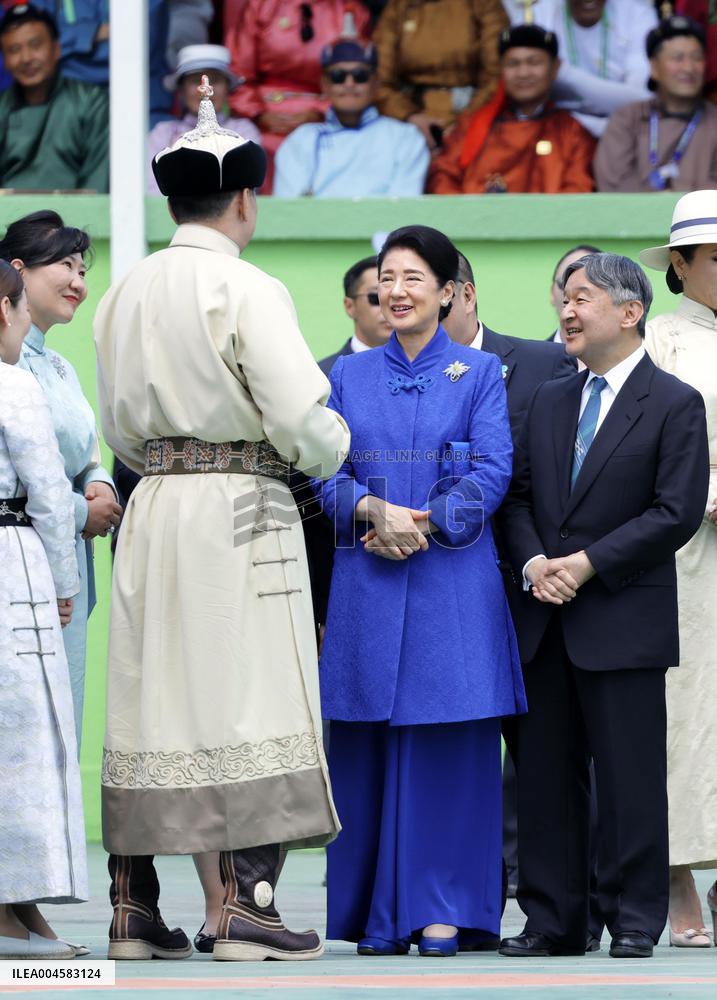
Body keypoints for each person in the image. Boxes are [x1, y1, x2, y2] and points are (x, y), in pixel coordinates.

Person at [94, 79, 350, 962]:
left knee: (149, 696)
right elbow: (298, 419)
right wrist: (332, 442)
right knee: (254, 696)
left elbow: (117, 428)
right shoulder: (246, 287)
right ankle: (249, 906)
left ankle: (132, 911)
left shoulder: (124, 291)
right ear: (245, 198)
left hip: (153, 503)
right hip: (241, 504)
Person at [317, 224, 527, 957]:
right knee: (367, 748)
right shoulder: (347, 376)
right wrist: (370, 511)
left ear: (447, 292)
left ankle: (442, 908)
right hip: (368, 581)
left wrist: (427, 523)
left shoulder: (480, 374)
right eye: (387, 277)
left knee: (449, 749)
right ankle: (376, 914)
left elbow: (493, 473)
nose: (396, 290)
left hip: (451, 586)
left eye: (413, 278)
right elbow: (324, 471)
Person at [499, 252, 709, 960]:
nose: (567, 308)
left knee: (629, 781)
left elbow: (673, 512)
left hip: (621, 615)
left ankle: (631, 920)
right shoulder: (546, 399)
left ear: (629, 311)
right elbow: (519, 496)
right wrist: (535, 564)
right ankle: (554, 921)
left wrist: (585, 565)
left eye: (583, 297)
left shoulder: (675, 403)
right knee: (545, 780)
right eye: (564, 296)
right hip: (544, 616)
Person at [442, 248, 575, 918]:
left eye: (430, 291)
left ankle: (557, 912)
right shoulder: (390, 377)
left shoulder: (541, 363)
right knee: (452, 763)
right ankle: (463, 908)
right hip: (440, 590)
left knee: (543, 762)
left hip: (533, 590)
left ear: (463, 293)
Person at [0, 211, 121, 752]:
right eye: (65, 266)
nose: (80, 281)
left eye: (82, 268)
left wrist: (102, 486)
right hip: (27, 562)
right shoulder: (9, 369)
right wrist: (80, 511)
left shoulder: (61, 368)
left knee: (63, 721)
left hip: (69, 562)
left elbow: (86, 451)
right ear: (18, 272)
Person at [0, 259, 87, 960]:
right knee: (24, 742)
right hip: (10, 564)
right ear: (6, 309)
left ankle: (18, 909)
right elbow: (53, 498)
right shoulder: (14, 383)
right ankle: (11, 902)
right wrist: (63, 582)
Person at [639, 189, 717, 947]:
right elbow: (633, 449)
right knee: (684, 717)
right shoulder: (658, 341)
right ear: (679, 265)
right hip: (688, 560)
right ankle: (676, 883)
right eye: (716, 258)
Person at [428, 25, 595, 195]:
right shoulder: (472, 126)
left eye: (534, 62)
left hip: (549, 221)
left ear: (555, 68)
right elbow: (443, 175)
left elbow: (578, 191)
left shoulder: (571, 132)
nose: (523, 73)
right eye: (513, 63)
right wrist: (466, 216)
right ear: (501, 69)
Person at [226, 0, 371, 190]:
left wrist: (321, 112)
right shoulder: (260, 5)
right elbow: (238, 72)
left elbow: (357, 74)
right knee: (252, 148)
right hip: (265, 117)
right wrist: (258, 114)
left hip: (330, 115)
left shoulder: (350, 9)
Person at [273, 32, 429, 197]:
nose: (349, 84)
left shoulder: (406, 137)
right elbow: (291, 209)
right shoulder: (301, 139)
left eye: (360, 76)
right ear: (324, 85)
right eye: (338, 77)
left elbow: (404, 207)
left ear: (376, 83)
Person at [595, 15, 717, 192]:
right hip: (633, 218)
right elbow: (613, 185)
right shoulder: (627, 118)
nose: (689, 68)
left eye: (697, 58)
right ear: (654, 68)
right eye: (678, 58)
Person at [504, 0, 657, 137]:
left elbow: (641, 103)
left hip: (623, 131)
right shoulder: (538, 15)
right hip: (553, 133)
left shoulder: (637, 14)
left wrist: (564, 72)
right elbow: (526, 98)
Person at [373, 0, 508, 152]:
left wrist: (465, 124)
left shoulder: (484, 4)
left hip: (473, 115)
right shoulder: (399, 6)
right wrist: (410, 116)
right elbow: (378, 82)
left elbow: (497, 76)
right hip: (411, 121)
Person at [0, 4, 108, 191]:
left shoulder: (92, 102)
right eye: (14, 50)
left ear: (57, 49)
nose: (26, 58)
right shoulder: (2, 107)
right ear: (5, 60)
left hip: (74, 218)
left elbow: (97, 184)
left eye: (35, 45)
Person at [148, 44, 261, 195]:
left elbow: (244, 188)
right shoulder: (163, 133)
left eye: (215, 80)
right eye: (195, 81)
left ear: (228, 88)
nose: (206, 90)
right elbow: (153, 188)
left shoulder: (244, 132)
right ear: (181, 90)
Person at [319, 255, 392, 374]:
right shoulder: (323, 377)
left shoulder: (428, 371)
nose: (390, 307)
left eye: (397, 298)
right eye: (376, 298)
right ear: (350, 306)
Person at [548, 244, 603, 342]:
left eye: (585, 290)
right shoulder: (530, 357)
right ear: (552, 292)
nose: (571, 300)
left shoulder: (630, 355)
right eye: (563, 285)